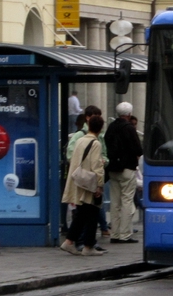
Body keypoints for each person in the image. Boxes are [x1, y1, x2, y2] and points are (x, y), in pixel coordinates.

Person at [61, 114, 106, 256]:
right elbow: (96, 166)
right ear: (100, 129)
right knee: (92, 213)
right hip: (89, 183)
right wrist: (99, 185)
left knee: (82, 214)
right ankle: (87, 246)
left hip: (78, 181)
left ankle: (69, 242)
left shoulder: (80, 140)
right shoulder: (96, 143)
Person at [105, 102, 143, 244]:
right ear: (129, 114)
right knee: (127, 200)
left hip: (113, 169)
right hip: (127, 168)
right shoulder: (129, 128)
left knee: (115, 202)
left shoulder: (111, 127)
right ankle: (125, 234)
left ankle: (114, 233)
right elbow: (138, 149)